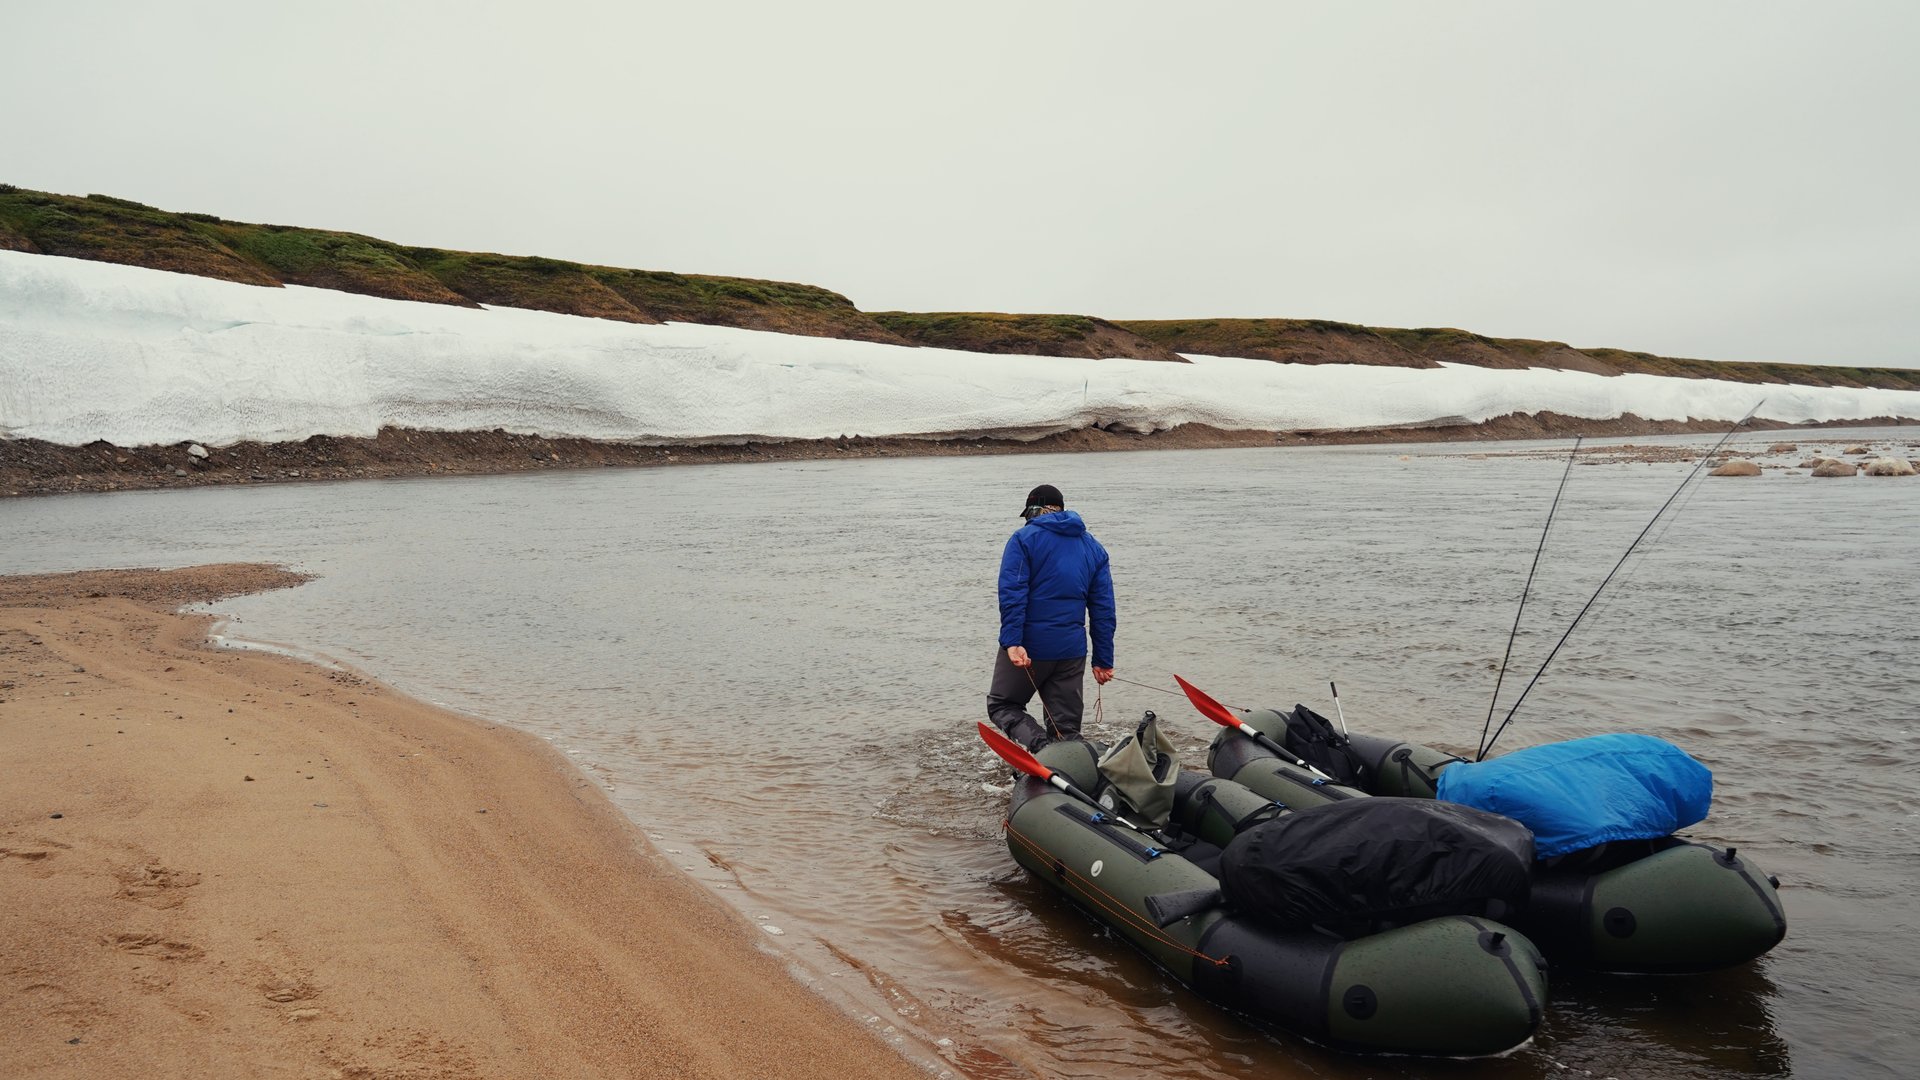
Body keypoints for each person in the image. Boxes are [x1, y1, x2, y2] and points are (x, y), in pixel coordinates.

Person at [988, 483, 1116, 751]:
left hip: (1030, 646)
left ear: (1035, 510)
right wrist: (1103, 659)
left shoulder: (1023, 539)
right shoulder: (1093, 547)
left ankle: (1041, 750)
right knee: (1065, 730)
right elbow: (1103, 608)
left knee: (1003, 705)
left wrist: (1013, 641)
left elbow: (1012, 594)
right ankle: (1071, 763)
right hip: (1072, 651)